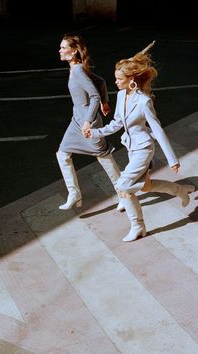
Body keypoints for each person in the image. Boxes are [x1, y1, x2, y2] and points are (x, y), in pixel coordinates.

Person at [83, 41, 195, 242]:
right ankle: (178, 190)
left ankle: (138, 226)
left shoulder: (144, 101)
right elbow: (117, 122)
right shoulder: (120, 95)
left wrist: (172, 159)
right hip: (131, 148)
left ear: (131, 79)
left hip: (144, 148)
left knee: (124, 186)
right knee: (144, 186)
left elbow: (157, 129)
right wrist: (96, 132)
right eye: (115, 78)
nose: (115, 82)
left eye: (119, 79)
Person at [56, 33, 124, 211]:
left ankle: (124, 194)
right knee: (62, 154)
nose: (60, 50)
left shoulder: (78, 71)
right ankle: (74, 194)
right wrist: (105, 102)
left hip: (87, 121)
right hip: (76, 120)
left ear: (73, 52)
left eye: (63, 48)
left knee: (103, 156)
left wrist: (89, 119)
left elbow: (93, 95)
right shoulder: (76, 68)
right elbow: (100, 82)